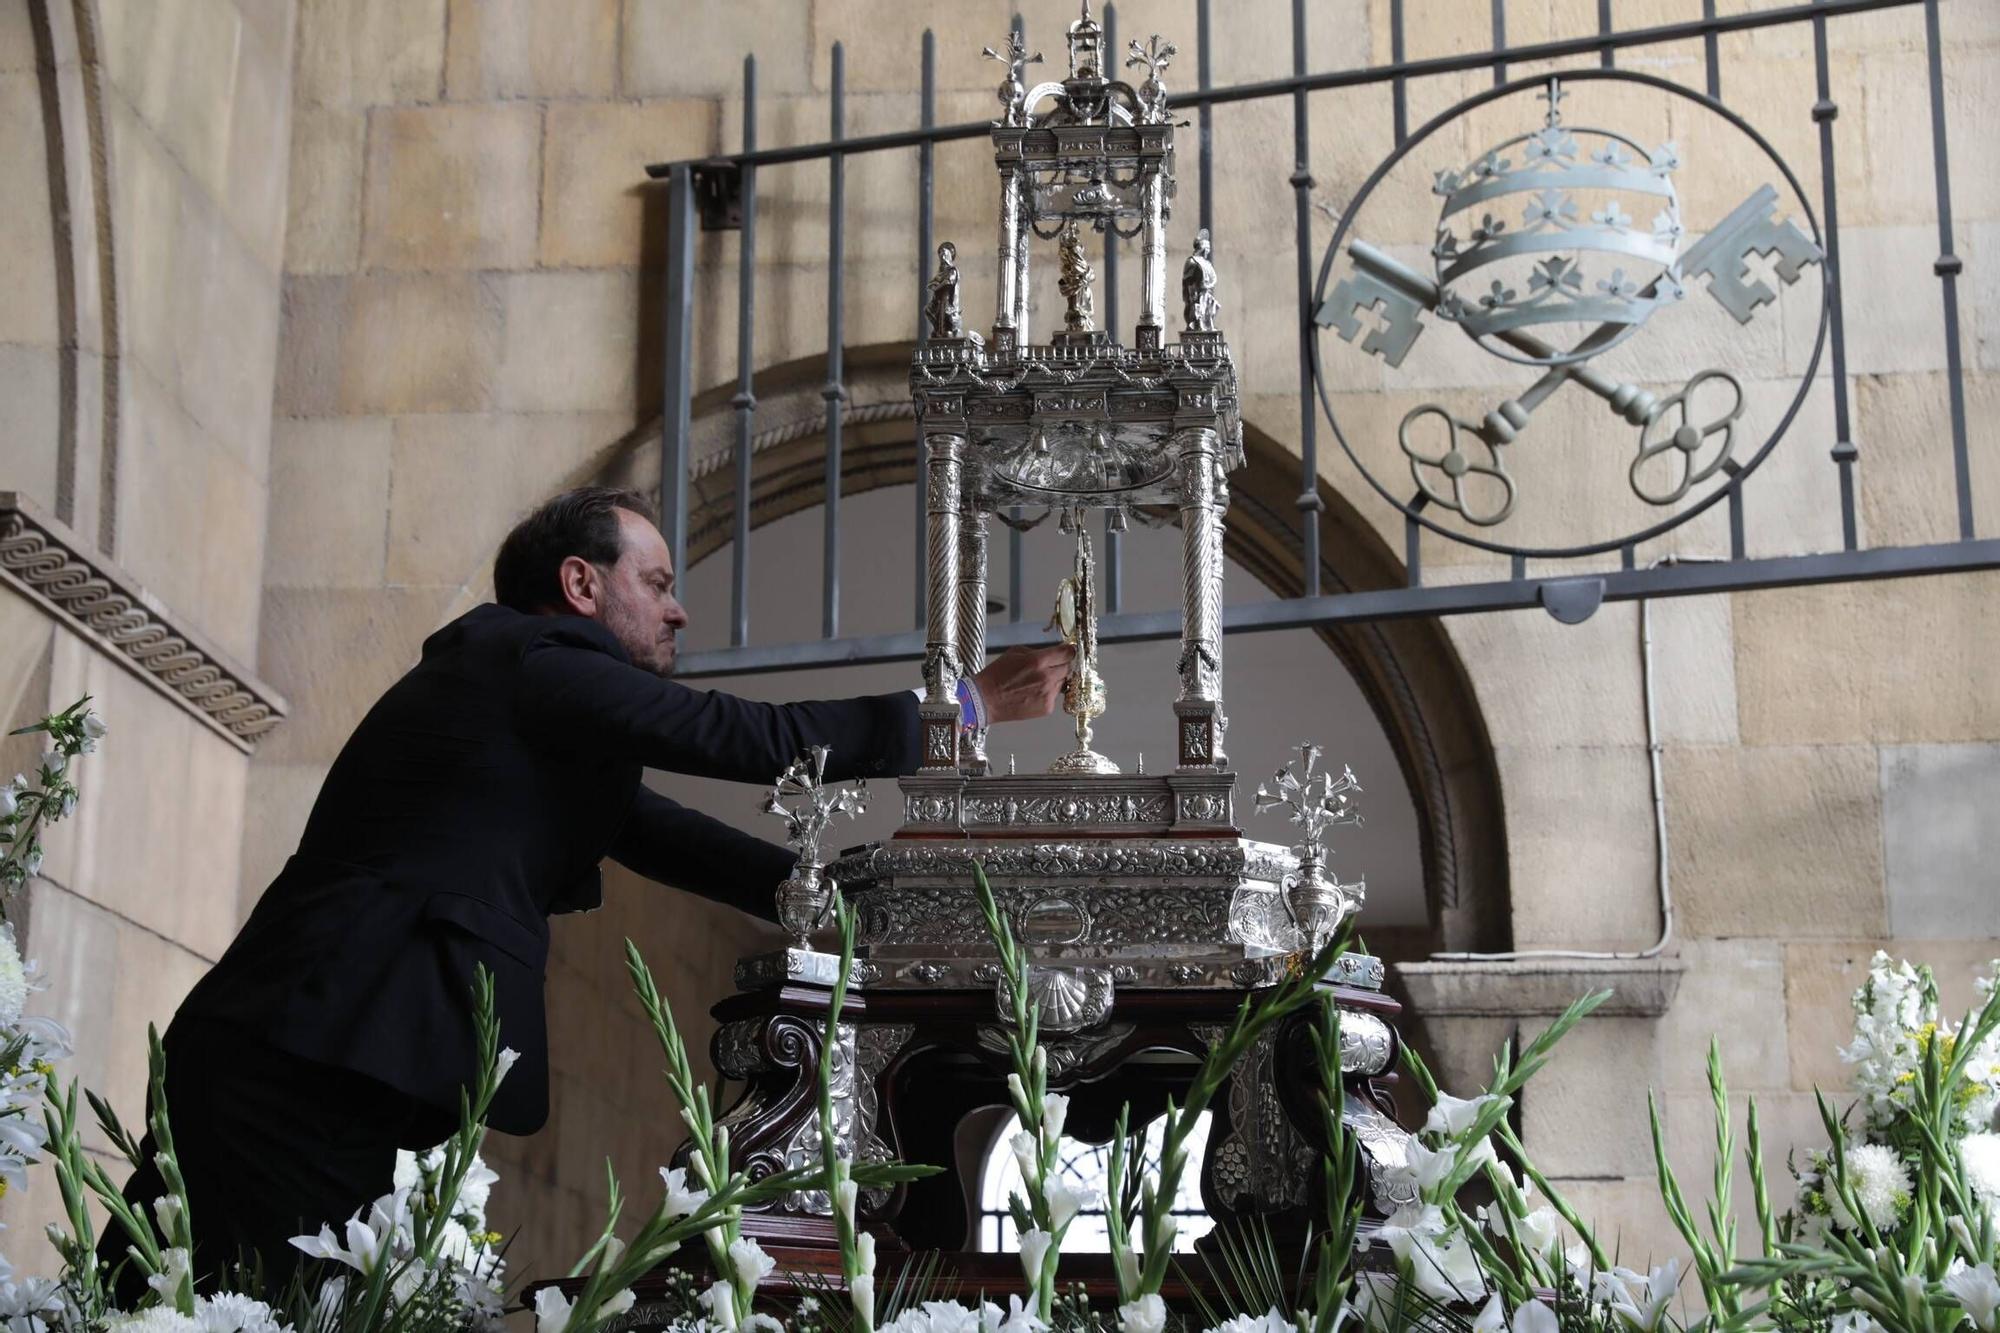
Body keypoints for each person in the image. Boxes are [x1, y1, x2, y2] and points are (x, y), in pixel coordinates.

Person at [105, 486, 1070, 1292]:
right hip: (296, 1058)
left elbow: (674, 839)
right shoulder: (527, 659)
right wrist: (967, 707)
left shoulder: (530, 712)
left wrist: (878, 902)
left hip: (317, 1059)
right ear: (579, 584)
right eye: (655, 583)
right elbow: (753, 741)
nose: (678, 609)